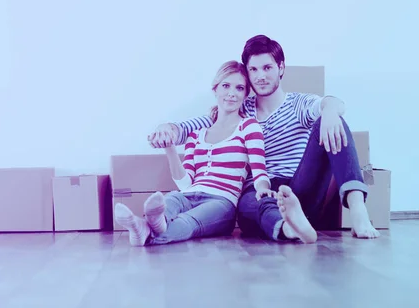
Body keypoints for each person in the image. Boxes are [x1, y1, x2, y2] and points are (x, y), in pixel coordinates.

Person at [148, 35, 380, 243]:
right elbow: (190, 127)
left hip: (299, 187)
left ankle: (358, 212)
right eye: (254, 70)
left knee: (332, 121)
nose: (261, 76)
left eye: (267, 67)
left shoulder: (297, 104)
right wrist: (165, 128)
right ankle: (288, 228)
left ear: (281, 68)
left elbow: (335, 103)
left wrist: (329, 109)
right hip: (258, 192)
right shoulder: (239, 108)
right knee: (248, 203)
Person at [114, 60, 274, 246]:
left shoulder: (248, 126)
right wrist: (170, 147)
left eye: (239, 88)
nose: (231, 93)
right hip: (189, 194)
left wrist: (263, 188)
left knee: (188, 222)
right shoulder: (196, 135)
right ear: (215, 89)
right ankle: (146, 227)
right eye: (226, 86)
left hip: (221, 201)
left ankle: (141, 228)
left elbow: (259, 170)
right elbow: (185, 183)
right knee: (171, 198)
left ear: (245, 95)